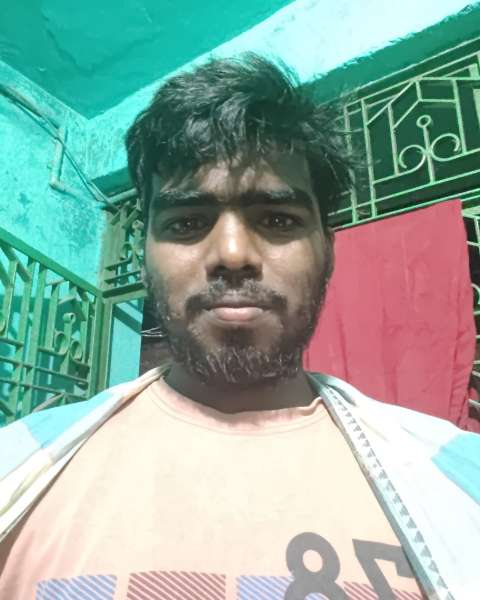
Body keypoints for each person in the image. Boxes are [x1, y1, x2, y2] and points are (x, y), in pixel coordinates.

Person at [1, 54, 479, 600]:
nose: (231, 254)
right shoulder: (16, 469)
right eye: (187, 222)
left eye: (277, 219)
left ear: (327, 250)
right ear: (144, 255)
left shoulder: (459, 482)